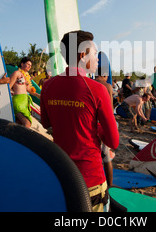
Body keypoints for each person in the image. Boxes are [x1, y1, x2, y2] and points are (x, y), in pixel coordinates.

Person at [40, 30, 119, 212]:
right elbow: (113, 141)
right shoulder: (97, 89)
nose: (98, 59)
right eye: (95, 53)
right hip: (90, 176)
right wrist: (95, 127)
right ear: (82, 55)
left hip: (61, 171)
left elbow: (45, 123)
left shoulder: (48, 85)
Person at [94, 64, 115, 187]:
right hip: (103, 122)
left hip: (92, 122)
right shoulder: (107, 86)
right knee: (106, 157)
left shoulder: (90, 82)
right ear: (105, 75)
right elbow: (110, 108)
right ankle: (110, 185)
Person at [9, 57, 39, 128]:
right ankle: (24, 139)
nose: (29, 66)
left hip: (25, 101)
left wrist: (38, 95)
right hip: (18, 101)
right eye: (28, 64)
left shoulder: (27, 76)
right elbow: (9, 86)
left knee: (19, 124)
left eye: (30, 65)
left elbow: (29, 90)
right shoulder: (16, 73)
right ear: (22, 64)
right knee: (27, 123)